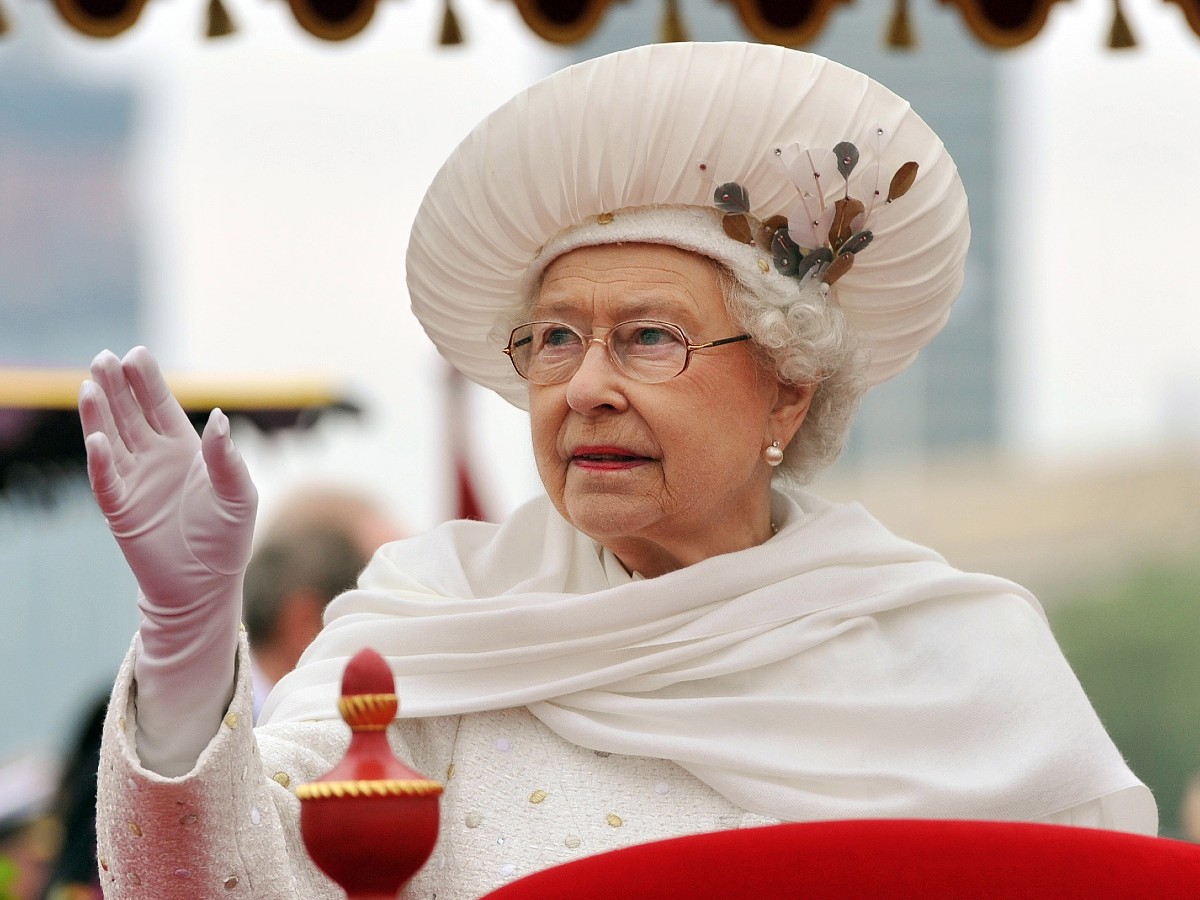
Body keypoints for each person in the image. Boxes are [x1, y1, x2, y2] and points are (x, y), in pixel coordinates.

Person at [77, 42, 1157, 899]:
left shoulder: (959, 657)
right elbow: (221, 887)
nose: (585, 385)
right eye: (555, 339)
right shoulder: (430, 629)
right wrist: (187, 641)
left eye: (648, 338)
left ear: (787, 392)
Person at [242, 525, 371, 722]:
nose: (368, 651)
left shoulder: (212, 702)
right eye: (355, 625)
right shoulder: (214, 723)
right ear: (303, 624)